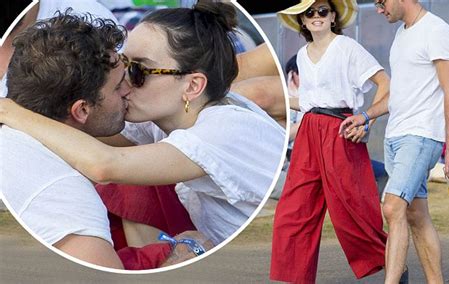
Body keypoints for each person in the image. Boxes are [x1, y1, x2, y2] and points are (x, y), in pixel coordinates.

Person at [0, 1, 285, 247]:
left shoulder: (224, 129)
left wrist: (11, 111)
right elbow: (86, 129)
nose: (122, 80)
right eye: (121, 63)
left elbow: (105, 164)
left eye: (138, 70)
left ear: (193, 85)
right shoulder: (164, 117)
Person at [0, 12, 214, 270]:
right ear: (81, 110)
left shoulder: (15, 132)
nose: (128, 89)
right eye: (118, 86)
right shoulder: (62, 191)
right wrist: (183, 252)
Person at [340, 1, 449, 283]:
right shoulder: (402, 34)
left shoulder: (436, 30)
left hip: (420, 136)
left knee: (393, 206)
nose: (379, 10)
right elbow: (398, 95)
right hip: (396, 135)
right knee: (416, 215)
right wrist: (365, 116)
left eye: (381, 3)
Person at [270, 0, 390, 283]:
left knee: (352, 211)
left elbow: (386, 84)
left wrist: (366, 121)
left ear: (333, 15)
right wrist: (270, 103)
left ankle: (391, 261)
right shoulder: (301, 54)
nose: (316, 16)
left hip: (340, 130)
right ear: (301, 21)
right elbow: (310, 102)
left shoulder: (347, 48)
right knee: (293, 210)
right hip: (310, 131)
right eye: (309, 13)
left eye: (323, 10)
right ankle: (294, 278)